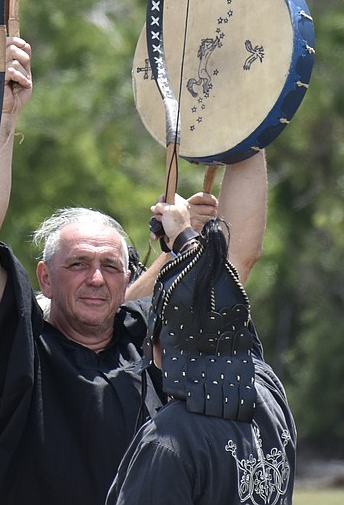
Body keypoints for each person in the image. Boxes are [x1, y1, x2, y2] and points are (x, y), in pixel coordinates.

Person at [0, 36, 271, 505]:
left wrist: (252, 117)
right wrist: (5, 115)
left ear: (125, 278)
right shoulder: (22, 344)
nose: (96, 279)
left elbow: (235, 261)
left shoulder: (144, 334)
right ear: (45, 278)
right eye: (78, 264)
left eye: (110, 266)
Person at [106, 194, 296, 505]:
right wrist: (184, 234)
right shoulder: (268, 394)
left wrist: (185, 235)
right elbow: (224, 304)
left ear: (159, 342)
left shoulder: (168, 441)